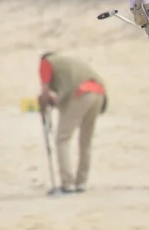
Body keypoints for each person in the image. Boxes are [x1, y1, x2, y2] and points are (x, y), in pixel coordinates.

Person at [38, 52, 107, 194]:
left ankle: (67, 183)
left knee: (62, 139)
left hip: (81, 94)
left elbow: (45, 93)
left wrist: (43, 107)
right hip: (99, 93)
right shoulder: (68, 63)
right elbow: (66, 96)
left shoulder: (46, 63)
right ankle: (81, 182)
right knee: (85, 141)